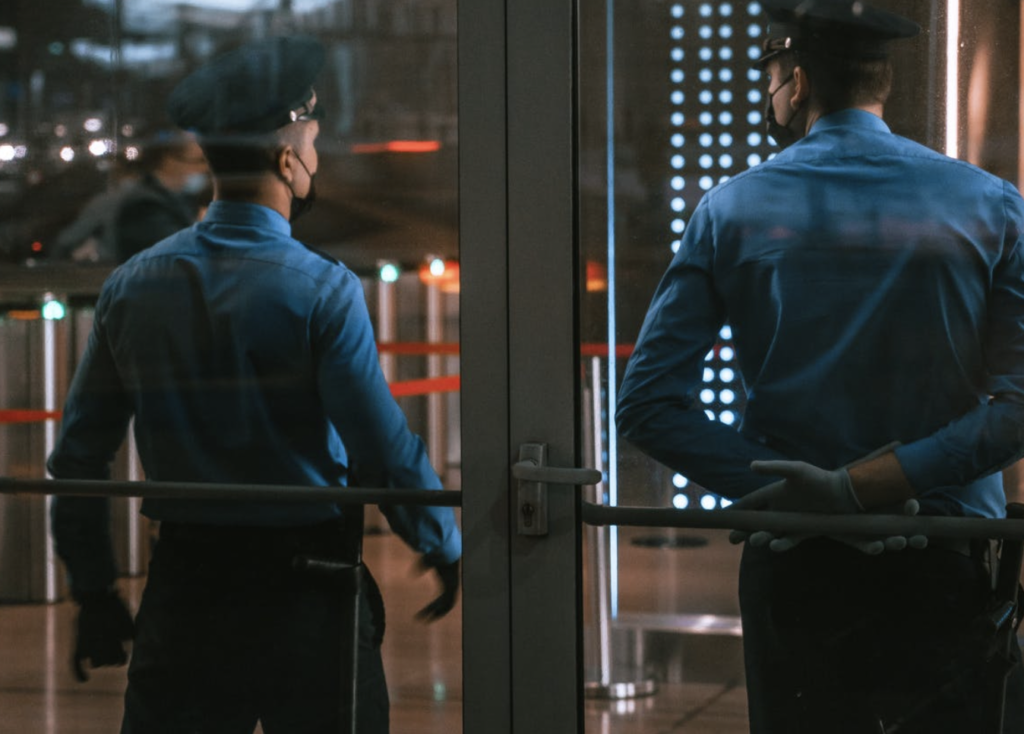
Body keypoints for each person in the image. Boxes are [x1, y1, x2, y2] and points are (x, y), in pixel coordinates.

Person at [615, 1, 1024, 731]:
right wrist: (867, 489)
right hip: (945, 550)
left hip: (795, 558)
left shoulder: (732, 210)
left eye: (771, 78)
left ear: (797, 84)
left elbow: (647, 402)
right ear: (884, 84)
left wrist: (802, 495)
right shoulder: (991, 205)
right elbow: (1018, 407)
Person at [47, 35, 461, 734]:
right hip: (308, 590)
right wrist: (440, 541)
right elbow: (379, 447)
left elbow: (79, 459)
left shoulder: (132, 286)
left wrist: (93, 590)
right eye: (315, 141)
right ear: (288, 156)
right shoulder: (323, 290)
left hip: (186, 586)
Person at [53, 131, 210, 263]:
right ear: (169, 161)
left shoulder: (179, 201)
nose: (205, 168)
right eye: (199, 161)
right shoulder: (143, 206)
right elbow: (177, 254)